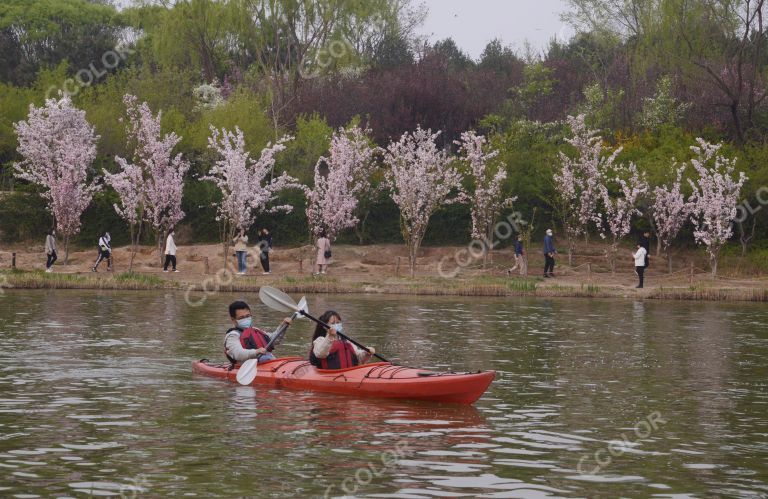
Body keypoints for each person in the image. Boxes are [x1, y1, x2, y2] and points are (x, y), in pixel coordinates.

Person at [224, 300, 293, 366]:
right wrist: (256, 352)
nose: (245, 319)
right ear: (233, 320)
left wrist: (283, 326)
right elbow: (238, 354)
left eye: (248, 316)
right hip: (248, 368)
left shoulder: (255, 330)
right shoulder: (232, 336)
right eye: (241, 317)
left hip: (268, 363)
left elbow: (274, 340)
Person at [309, 310, 375, 369]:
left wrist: (366, 353)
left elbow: (358, 357)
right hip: (331, 375)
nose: (336, 325)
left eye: (338, 323)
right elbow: (321, 354)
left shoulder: (345, 340)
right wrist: (330, 337)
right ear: (325, 326)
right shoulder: (320, 340)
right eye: (333, 323)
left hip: (349, 374)